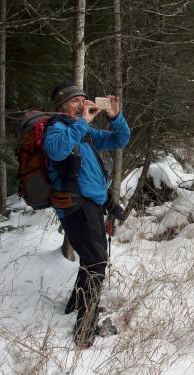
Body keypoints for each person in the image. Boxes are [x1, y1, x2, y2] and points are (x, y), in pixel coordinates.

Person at [44, 81, 130, 349]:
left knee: (91, 261)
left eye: (83, 100)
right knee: (96, 263)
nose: (81, 104)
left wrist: (115, 116)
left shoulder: (84, 132)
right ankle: (84, 330)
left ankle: (75, 306)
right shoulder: (56, 128)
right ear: (61, 107)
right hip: (75, 206)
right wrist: (82, 123)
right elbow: (56, 150)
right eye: (74, 101)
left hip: (91, 205)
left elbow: (119, 140)